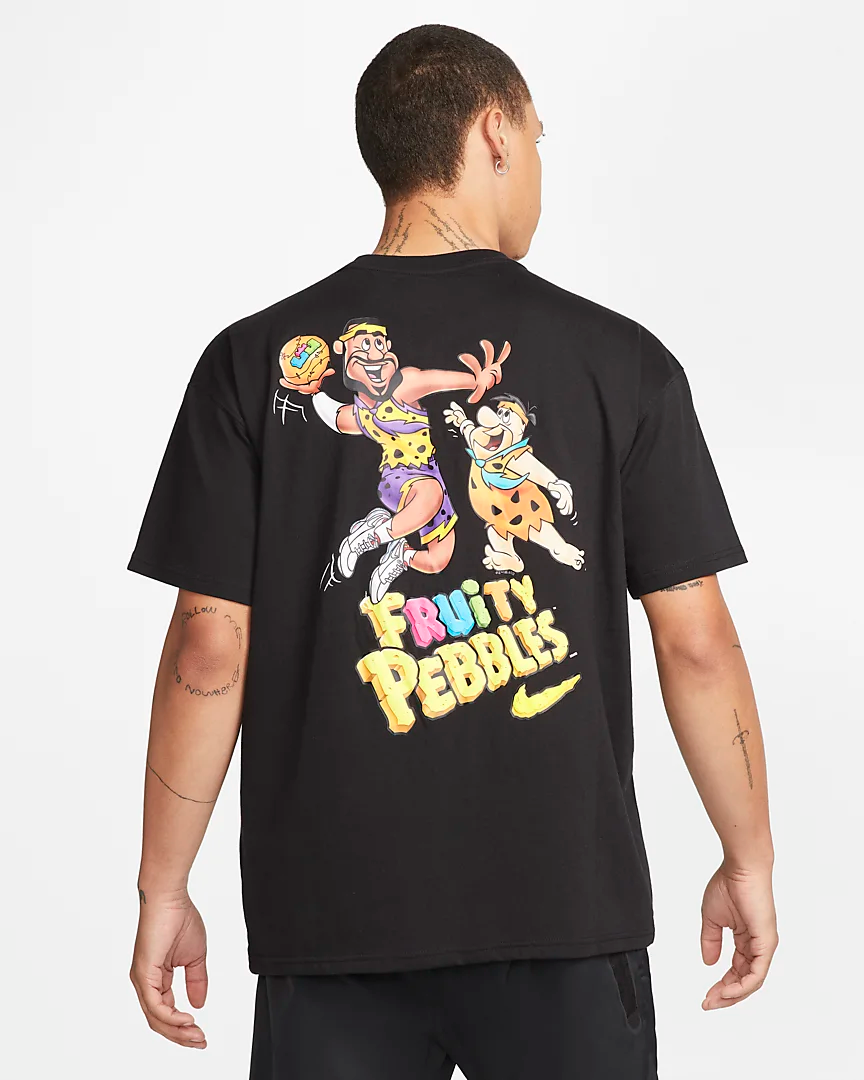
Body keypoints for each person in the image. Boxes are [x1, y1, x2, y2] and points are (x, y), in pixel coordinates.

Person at [128, 23, 777, 1079]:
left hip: (332, 922)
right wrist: (747, 859)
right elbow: (696, 645)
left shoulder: (243, 364)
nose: (539, 166)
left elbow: (209, 653)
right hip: (564, 914)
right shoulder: (622, 361)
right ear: (495, 134)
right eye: (538, 137)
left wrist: (163, 887)